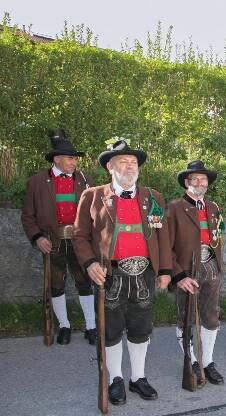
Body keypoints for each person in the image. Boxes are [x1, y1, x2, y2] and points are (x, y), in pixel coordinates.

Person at [73, 139, 172, 405]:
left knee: (141, 328)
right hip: (109, 275)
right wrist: (90, 263)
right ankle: (115, 379)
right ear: (110, 166)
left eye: (133, 162)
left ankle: (138, 377)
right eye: (123, 162)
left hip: (144, 274)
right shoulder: (93, 195)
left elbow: (161, 236)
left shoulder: (153, 197)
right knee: (111, 330)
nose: (130, 167)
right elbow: (80, 236)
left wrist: (164, 270)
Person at [21, 129, 96, 345]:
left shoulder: (85, 179)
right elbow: (28, 215)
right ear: (57, 159)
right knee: (56, 284)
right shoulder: (36, 182)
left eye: (74, 158)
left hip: (79, 241)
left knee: (85, 282)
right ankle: (64, 325)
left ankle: (91, 326)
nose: (74, 162)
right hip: (52, 241)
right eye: (70, 158)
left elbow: (93, 211)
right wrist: (37, 238)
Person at [166, 160, 225, 386]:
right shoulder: (173, 208)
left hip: (210, 268)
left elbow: (218, 236)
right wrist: (177, 274)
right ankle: (190, 360)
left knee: (211, 316)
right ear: (186, 183)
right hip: (186, 271)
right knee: (186, 317)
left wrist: (217, 266)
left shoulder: (214, 207)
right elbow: (166, 246)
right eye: (195, 179)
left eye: (203, 179)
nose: (200, 183)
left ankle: (207, 361)